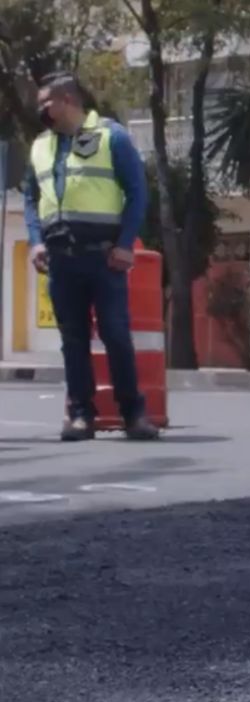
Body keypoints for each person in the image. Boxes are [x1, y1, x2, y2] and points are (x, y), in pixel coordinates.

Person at [23, 72, 159, 442]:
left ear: (67, 100)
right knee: (73, 340)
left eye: (45, 103)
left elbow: (137, 192)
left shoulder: (111, 136)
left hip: (104, 258)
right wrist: (35, 241)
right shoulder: (40, 146)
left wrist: (126, 244)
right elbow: (31, 198)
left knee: (115, 334)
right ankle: (82, 416)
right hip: (60, 259)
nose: (40, 110)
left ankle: (134, 414)